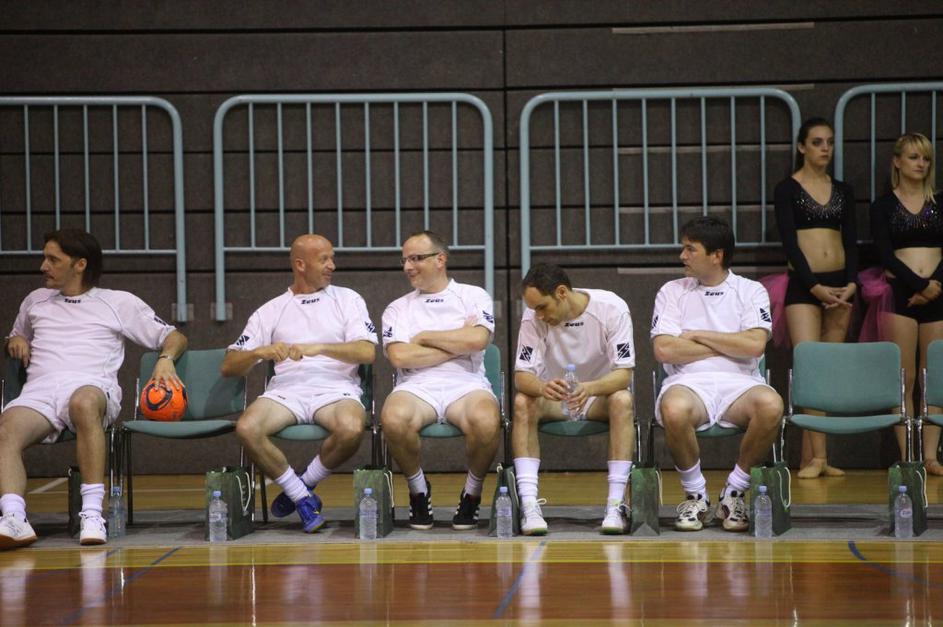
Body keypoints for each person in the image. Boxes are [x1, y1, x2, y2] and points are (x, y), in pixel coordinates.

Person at [0, 229, 187, 549]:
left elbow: (174, 337)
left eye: (53, 260)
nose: (43, 266)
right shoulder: (35, 300)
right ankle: (14, 517)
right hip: (40, 392)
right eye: (45, 258)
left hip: (93, 387)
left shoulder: (117, 302)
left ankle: (92, 514)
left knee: (83, 403)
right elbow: (17, 336)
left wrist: (165, 359)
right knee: (6, 428)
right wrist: (15, 339)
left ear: (80, 264)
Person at [221, 234, 378, 532]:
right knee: (247, 428)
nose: (332, 265)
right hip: (286, 392)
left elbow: (367, 352)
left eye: (332, 258)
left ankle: (301, 485)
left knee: (351, 428)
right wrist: (258, 352)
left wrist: (320, 347)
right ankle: (303, 499)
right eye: (324, 260)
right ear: (300, 265)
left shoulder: (348, 299)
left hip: (336, 389)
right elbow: (229, 366)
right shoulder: (271, 309)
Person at [652, 216, 783, 532]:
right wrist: (730, 344)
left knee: (771, 405)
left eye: (690, 249)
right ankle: (696, 495)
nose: (682, 255)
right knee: (673, 409)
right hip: (688, 383)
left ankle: (734, 492)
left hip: (741, 385)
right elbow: (665, 350)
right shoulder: (672, 291)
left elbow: (754, 345)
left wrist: (697, 334)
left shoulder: (751, 290)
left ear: (717, 255)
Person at [380, 230, 500, 530]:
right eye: (405, 260)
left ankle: (472, 493)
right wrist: (457, 344)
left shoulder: (473, 296)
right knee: (393, 418)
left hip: (467, 384)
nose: (408, 267)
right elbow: (399, 357)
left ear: (440, 259)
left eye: (416, 258)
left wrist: (424, 337)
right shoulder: (397, 308)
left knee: (486, 420)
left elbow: (478, 340)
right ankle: (418, 490)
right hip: (416, 387)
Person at [512, 263, 636, 535]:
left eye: (542, 307)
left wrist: (589, 388)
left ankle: (616, 506)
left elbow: (624, 374)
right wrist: (542, 386)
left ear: (561, 292)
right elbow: (521, 376)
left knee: (623, 400)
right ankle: (529, 507)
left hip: (596, 396)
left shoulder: (612, 308)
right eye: (534, 309)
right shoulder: (532, 319)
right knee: (522, 401)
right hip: (555, 398)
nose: (539, 315)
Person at [772, 117, 857, 479]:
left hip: (840, 285)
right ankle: (818, 458)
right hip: (804, 285)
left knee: (827, 372)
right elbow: (790, 244)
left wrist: (852, 282)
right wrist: (814, 286)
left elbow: (851, 240)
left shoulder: (843, 190)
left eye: (830, 142)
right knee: (809, 367)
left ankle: (814, 458)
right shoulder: (787, 189)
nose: (825, 148)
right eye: (818, 142)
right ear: (802, 147)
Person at [868, 133, 943, 476]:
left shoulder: (939, 202)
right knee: (905, 377)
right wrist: (919, 285)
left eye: (926, 158)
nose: (921, 164)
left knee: (933, 376)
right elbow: (885, 254)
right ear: (897, 161)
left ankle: (930, 455)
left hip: (938, 292)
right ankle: (908, 453)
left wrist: (933, 286)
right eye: (914, 157)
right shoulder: (883, 206)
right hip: (899, 292)